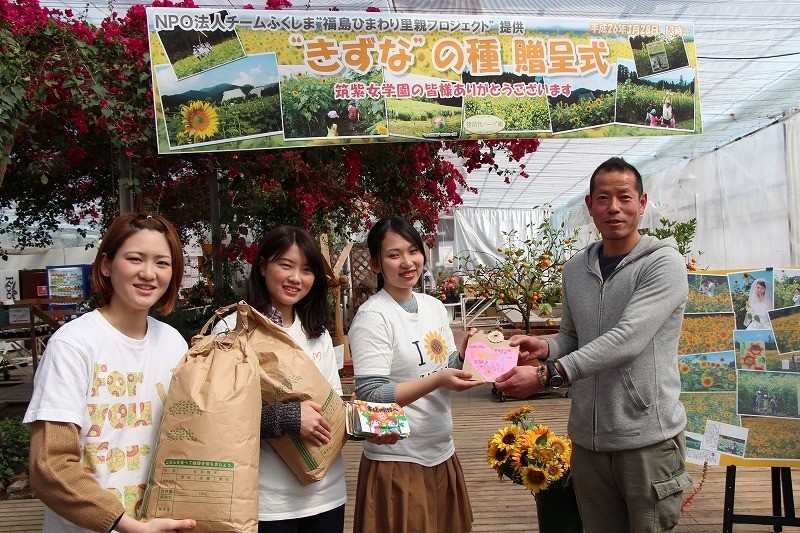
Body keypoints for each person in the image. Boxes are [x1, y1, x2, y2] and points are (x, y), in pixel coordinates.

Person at [495, 157, 692, 533]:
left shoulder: (663, 265)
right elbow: (573, 335)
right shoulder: (575, 269)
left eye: (624, 197)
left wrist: (547, 375)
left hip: (646, 436)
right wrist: (545, 348)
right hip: (588, 439)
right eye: (603, 198)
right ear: (589, 206)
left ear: (642, 202)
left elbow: (628, 340)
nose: (614, 208)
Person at [24, 213, 196, 533]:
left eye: (162, 263)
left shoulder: (173, 343)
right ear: (106, 265)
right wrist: (124, 524)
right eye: (135, 259)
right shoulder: (74, 345)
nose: (148, 273)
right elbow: (50, 466)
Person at [212, 226, 366, 533]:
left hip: (327, 492)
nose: (296, 278)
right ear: (263, 265)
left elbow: (332, 403)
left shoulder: (317, 333)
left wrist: (368, 425)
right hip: (268, 501)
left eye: (307, 270)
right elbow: (219, 420)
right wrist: (288, 417)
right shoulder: (233, 329)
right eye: (286, 265)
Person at [348, 216, 481, 533]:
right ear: (376, 264)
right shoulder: (373, 316)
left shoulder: (433, 306)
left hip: (441, 450)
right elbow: (370, 394)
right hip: (397, 458)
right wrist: (437, 380)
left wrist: (467, 354)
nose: (407, 262)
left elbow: (445, 365)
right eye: (394, 255)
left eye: (413, 251)